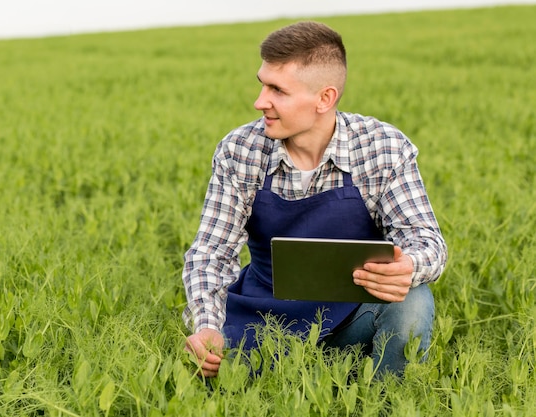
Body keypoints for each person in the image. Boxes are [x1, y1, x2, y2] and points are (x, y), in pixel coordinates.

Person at [182, 21, 447, 378]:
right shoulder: (240, 150)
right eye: (262, 83)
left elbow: (427, 241)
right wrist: (207, 326)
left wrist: (408, 266)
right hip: (262, 321)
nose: (260, 102)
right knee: (222, 380)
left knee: (413, 300)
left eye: (278, 90)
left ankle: (388, 402)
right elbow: (211, 254)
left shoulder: (383, 147)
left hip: (351, 315)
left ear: (325, 98)